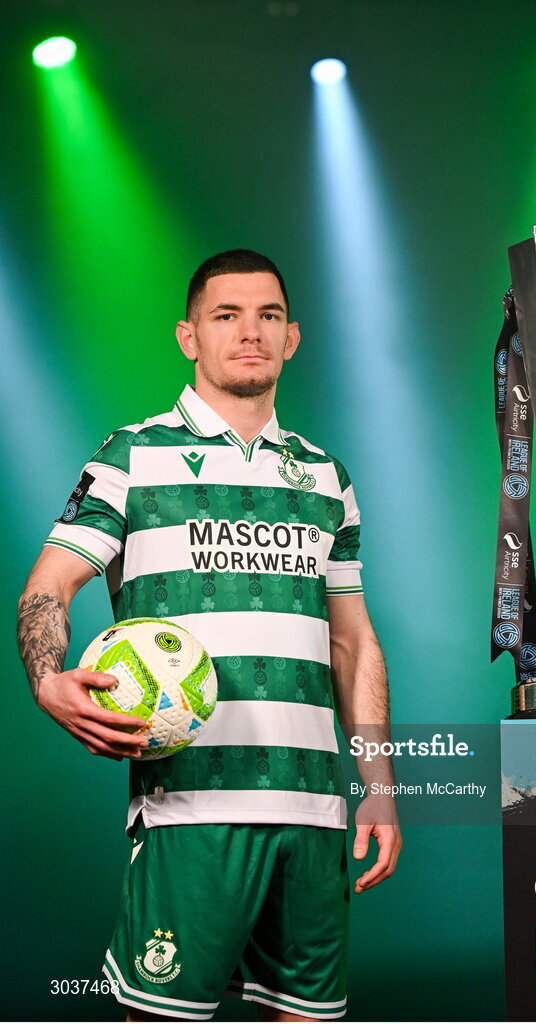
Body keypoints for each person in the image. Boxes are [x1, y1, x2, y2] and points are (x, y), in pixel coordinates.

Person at [17, 249, 401, 1022]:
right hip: (190, 805)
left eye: (267, 316)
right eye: (227, 315)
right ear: (189, 336)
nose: (249, 332)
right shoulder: (132, 455)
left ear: (291, 337)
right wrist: (47, 679)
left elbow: (352, 642)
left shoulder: (327, 475)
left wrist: (380, 787)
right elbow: (48, 587)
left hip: (314, 808)